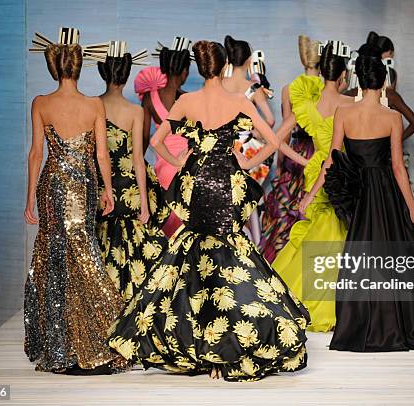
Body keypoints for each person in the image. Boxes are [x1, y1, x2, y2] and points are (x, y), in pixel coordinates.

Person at [108, 40, 309, 382]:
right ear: (224, 67)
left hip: (198, 184)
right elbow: (274, 142)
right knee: (228, 258)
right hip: (225, 185)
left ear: (200, 69)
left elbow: (155, 143)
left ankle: (198, 342)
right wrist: (246, 163)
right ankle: (225, 346)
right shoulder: (238, 101)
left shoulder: (187, 100)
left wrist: (180, 161)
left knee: (194, 257)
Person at [311, 43, 414, 351]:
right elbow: (398, 167)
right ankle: (400, 323)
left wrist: (309, 197)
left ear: (358, 79)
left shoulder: (343, 114)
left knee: (361, 259)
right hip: (386, 192)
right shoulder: (391, 118)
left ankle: (363, 325)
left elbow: (331, 161)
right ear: (383, 81)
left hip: (360, 196)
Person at [23, 30, 126, 373]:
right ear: (80, 68)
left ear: (54, 67)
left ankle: (63, 343)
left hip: (51, 185)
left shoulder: (40, 103)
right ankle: (105, 329)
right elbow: (101, 154)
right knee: (84, 254)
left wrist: (28, 200)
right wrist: (109, 189)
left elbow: (36, 154)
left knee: (54, 259)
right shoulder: (94, 104)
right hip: (83, 187)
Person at [271, 42, 352, 332]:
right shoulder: (350, 105)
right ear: (343, 75)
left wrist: (306, 161)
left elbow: (276, 138)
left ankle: (299, 296)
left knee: (320, 232)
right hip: (342, 172)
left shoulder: (309, 105)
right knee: (337, 233)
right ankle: (336, 304)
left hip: (316, 170)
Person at [95, 43, 168, 303]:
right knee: (139, 249)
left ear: (104, 73)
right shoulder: (135, 111)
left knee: (102, 247)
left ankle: (105, 307)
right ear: (125, 77)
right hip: (129, 188)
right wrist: (146, 204)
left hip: (100, 188)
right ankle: (133, 307)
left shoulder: (92, 106)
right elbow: (138, 159)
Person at [259, 35, 318, 263]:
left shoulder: (289, 89)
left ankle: (282, 267)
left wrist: (281, 163)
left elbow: (283, 131)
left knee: (287, 213)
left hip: (296, 154)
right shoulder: (327, 89)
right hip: (318, 155)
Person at [135, 38, 192, 236]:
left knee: (164, 223)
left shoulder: (150, 98)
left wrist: (137, 169)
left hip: (163, 168)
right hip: (187, 165)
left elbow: (142, 140)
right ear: (184, 71)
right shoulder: (189, 100)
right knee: (186, 225)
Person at [222, 35, 275, 244]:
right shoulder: (252, 89)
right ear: (248, 61)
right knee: (245, 205)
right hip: (244, 153)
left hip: (220, 149)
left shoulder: (219, 85)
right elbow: (269, 121)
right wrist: (250, 130)